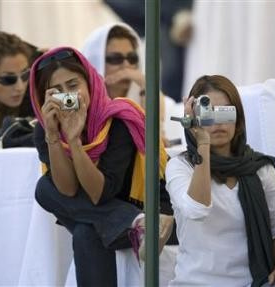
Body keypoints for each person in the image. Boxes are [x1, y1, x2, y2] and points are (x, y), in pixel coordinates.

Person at [29, 47, 174, 286]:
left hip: (144, 205)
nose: (68, 96)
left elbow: (100, 193)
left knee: (84, 230)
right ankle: (137, 223)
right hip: (122, 220)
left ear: (90, 82)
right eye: (57, 92)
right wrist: (56, 136)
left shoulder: (118, 120)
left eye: (73, 85)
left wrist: (74, 142)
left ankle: (141, 222)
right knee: (45, 188)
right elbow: (67, 191)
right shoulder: (46, 128)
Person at [165, 75, 275, 286]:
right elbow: (197, 210)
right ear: (194, 118)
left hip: (253, 282)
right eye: (208, 112)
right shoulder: (180, 166)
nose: (217, 122)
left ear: (238, 119)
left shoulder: (259, 168)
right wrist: (202, 144)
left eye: (225, 111)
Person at [82, 22, 174, 146]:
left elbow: (156, 143)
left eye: (132, 58)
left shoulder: (148, 94)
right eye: (116, 59)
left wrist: (145, 84)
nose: (127, 65)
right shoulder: (83, 104)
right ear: (95, 62)